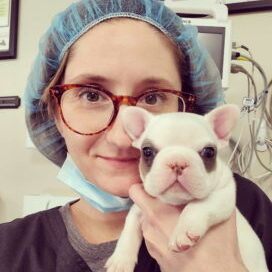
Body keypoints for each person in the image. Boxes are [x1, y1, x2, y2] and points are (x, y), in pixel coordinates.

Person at [0, 0, 271, 271]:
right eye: (91, 95)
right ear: (53, 112)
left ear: (189, 110)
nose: (123, 138)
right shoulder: (8, 251)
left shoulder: (247, 207)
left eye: (153, 97)